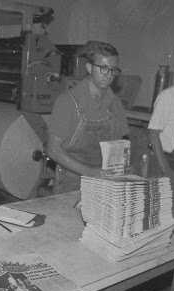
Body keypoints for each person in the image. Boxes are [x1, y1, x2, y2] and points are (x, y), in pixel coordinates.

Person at [47, 41, 130, 194]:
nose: (109, 76)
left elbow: (120, 145)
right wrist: (91, 173)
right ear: (89, 68)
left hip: (104, 183)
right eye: (103, 69)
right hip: (71, 184)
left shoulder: (115, 104)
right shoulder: (68, 101)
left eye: (113, 70)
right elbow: (53, 150)